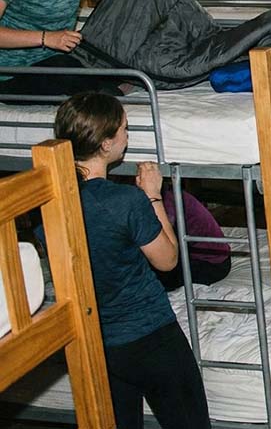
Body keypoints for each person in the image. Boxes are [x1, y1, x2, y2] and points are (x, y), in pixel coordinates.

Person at [53, 92, 210, 429]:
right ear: (106, 143)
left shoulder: (51, 204)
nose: (128, 135)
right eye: (123, 129)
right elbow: (167, 260)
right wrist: (152, 194)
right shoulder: (126, 201)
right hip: (152, 337)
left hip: (101, 345)